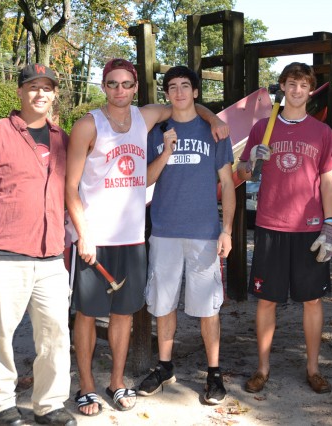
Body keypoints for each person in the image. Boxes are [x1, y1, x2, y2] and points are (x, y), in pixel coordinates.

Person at [65, 59, 228, 415]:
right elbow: (70, 188)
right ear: (103, 86)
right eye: (112, 84)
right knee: (88, 314)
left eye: (126, 84)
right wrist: (83, 233)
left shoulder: (145, 117)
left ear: (135, 87)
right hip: (96, 236)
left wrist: (212, 118)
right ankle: (87, 386)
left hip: (132, 236)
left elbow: (185, 103)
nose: (119, 90)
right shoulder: (87, 125)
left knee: (124, 313)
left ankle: (116, 381)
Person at [0, 64, 76, 426]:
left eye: (47, 88)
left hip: (51, 257)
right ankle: (1, 404)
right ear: (20, 92)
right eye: (33, 87)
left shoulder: (64, 140)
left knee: (56, 334)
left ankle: (50, 404)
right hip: (2, 254)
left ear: (55, 94)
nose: (40, 93)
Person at [236, 62, 332, 394]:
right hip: (270, 227)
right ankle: (262, 369)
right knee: (266, 301)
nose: (297, 90)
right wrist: (251, 156)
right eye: (291, 84)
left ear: (311, 91)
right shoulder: (263, 128)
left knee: (313, 301)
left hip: (310, 229)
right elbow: (242, 175)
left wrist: (330, 227)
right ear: (282, 86)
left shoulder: (322, 133)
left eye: (303, 85)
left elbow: (328, 183)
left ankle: (313, 369)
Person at [136, 65, 235, 405]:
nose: (178, 92)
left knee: (208, 307)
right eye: (172, 87)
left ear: (195, 92)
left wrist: (227, 230)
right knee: (162, 304)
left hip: (205, 234)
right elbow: (146, 180)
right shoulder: (156, 131)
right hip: (164, 231)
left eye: (185, 86)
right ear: (167, 93)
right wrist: (165, 152)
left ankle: (214, 373)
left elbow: (227, 183)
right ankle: (164, 367)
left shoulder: (216, 132)